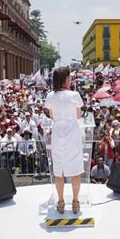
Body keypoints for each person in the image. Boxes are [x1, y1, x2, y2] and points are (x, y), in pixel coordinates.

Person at [44, 67, 84, 214]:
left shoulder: (50, 96)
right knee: (75, 170)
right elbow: (79, 115)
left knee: (59, 171)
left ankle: (60, 202)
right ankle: (75, 201)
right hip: (72, 134)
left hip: (58, 134)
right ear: (66, 79)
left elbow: (52, 116)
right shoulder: (75, 95)